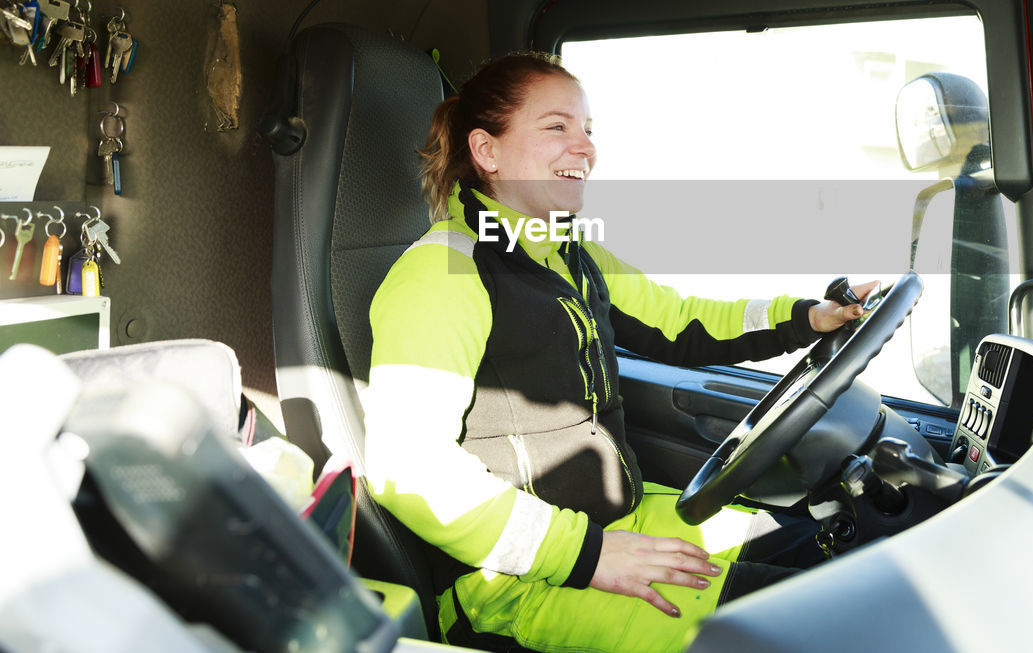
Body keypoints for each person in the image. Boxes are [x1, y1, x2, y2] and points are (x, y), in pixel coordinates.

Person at [363, 53, 877, 653]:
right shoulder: (443, 273)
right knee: (829, 632)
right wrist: (591, 554)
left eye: (588, 130)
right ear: (487, 151)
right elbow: (408, 469)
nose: (585, 148)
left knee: (837, 570)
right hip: (518, 583)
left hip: (620, 521)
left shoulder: (566, 252)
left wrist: (807, 317)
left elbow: (681, 319)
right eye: (557, 127)